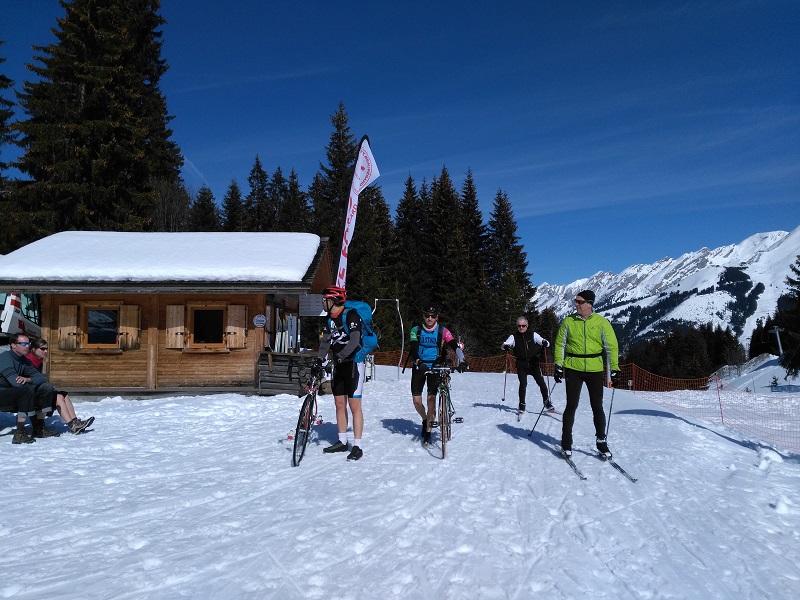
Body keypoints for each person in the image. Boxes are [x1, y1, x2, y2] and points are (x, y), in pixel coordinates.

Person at [553, 290, 619, 458]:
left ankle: (601, 442)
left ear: (589, 304)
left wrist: (614, 370)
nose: (576, 304)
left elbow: (611, 347)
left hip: (595, 369)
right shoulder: (568, 321)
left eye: (580, 302)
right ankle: (566, 443)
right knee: (571, 406)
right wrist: (558, 366)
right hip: (573, 368)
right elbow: (560, 344)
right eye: (576, 301)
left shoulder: (602, 323)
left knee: (597, 406)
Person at [316, 286, 367, 461]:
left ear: (333, 301)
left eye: (324, 300)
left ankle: (357, 445)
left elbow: (355, 340)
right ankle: (342, 440)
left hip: (354, 364)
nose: (322, 303)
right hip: (339, 364)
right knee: (339, 404)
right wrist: (319, 360)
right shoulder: (329, 320)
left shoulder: (351, 315)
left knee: (354, 406)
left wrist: (341, 356)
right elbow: (325, 342)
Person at [408, 304, 466, 444]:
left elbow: (453, 345)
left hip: (436, 366)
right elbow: (414, 348)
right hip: (419, 366)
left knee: (431, 401)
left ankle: (428, 431)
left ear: (437, 317)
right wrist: (418, 361)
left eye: (433, 316)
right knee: (417, 402)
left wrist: (462, 360)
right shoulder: (416, 330)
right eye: (427, 315)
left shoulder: (443, 331)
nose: (429, 318)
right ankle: (424, 419)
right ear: (423, 316)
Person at [0, 333, 60, 441]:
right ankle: (20, 432)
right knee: (26, 389)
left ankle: (39, 427)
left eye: (28, 343)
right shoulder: (5, 358)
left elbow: (41, 378)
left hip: (15, 392)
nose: (27, 346)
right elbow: (15, 382)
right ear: (13, 345)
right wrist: (27, 383)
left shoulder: (23, 360)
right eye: (23, 343)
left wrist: (28, 379)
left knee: (46, 387)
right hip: (2, 393)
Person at [27, 338, 94, 434]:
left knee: (64, 395)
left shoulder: (39, 361)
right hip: (31, 393)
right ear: (33, 349)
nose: (45, 351)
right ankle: (72, 425)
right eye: (42, 349)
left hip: (40, 390)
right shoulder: (28, 361)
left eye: (46, 349)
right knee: (58, 397)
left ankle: (75, 421)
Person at [501, 316, 553, 414]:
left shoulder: (533, 334)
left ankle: (547, 402)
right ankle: (522, 405)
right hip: (521, 364)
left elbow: (546, 342)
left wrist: (545, 343)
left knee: (541, 383)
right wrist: (506, 346)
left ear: (527, 326)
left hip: (533, 363)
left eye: (523, 326)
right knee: (523, 384)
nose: (521, 328)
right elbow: (504, 345)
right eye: (519, 326)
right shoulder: (514, 336)